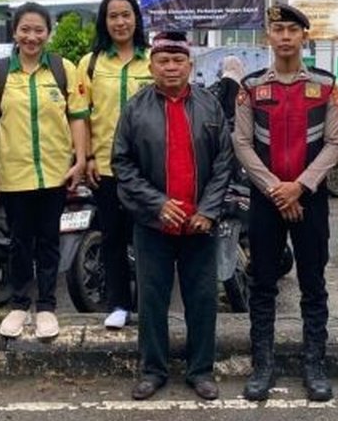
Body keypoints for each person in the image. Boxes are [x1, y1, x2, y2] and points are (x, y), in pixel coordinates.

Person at [112, 31, 232, 402]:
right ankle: (153, 370)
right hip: (154, 224)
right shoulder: (135, 108)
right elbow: (122, 163)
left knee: (202, 299)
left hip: (200, 224)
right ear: (151, 66)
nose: (170, 67)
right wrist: (156, 204)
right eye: (163, 60)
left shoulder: (210, 106)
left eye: (178, 60)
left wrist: (209, 211)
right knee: (151, 299)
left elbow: (224, 163)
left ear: (189, 65)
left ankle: (201, 371)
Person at [232, 4, 338, 402]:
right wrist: (277, 188)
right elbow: (241, 143)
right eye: (277, 29)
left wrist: (300, 187)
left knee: (313, 284)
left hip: (310, 200)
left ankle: (315, 365)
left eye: (292, 30)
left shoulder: (327, 86)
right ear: (268, 37)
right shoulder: (251, 87)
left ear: (304, 38)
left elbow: (334, 143)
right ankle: (263, 365)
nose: (284, 37)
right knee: (262, 285)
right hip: (266, 201)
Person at [0, 2, 90, 341]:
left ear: (48, 32)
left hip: (55, 172)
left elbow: (78, 116)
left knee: (49, 242)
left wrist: (81, 159)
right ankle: (18, 304)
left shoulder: (63, 69)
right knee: (18, 242)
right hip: (13, 174)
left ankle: (46, 306)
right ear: (14, 32)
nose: (31, 36)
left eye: (38, 30)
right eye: (25, 30)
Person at [79, 0, 153, 330]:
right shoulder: (90, 63)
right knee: (112, 237)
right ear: (104, 22)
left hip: (150, 170)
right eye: (113, 16)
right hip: (106, 169)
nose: (120, 22)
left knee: (150, 238)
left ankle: (152, 304)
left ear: (136, 18)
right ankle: (119, 304)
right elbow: (81, 116)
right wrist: (87, 156)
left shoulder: (153, 60)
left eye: (126, 15)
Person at [215, 55, 245, 123]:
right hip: (237, 110)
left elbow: (221, 95)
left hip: (227, 112)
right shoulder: (239, 77)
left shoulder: (227, 77)